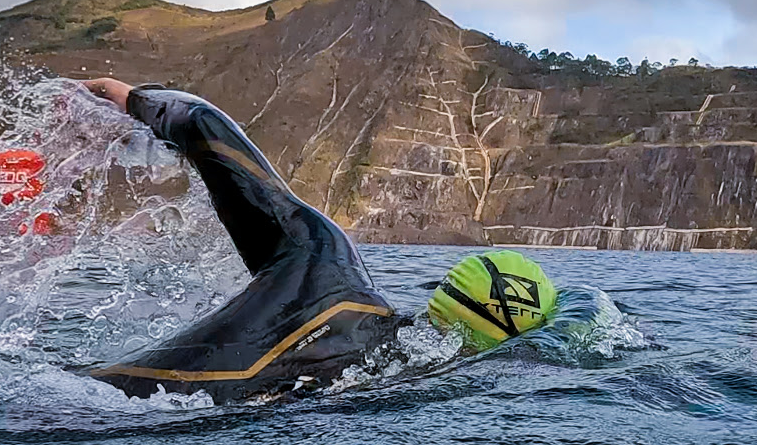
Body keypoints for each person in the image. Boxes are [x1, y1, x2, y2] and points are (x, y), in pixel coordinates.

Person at [78, 78, 556, 403]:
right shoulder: (389, 389)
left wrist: (125, 97)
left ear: (446, 289)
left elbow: (204, 126)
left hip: (73, 406)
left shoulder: (323, 266)